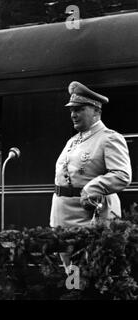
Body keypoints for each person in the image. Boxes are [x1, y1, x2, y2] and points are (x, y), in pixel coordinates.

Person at [50, 81, 132, 228]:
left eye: (79, 109)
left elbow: (122, 175)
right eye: (71, 111)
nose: (73, 115)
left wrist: (93, 188)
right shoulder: (73, 141)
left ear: (96, 111)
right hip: (62, 215)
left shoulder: (109, 138)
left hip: (90, 215)